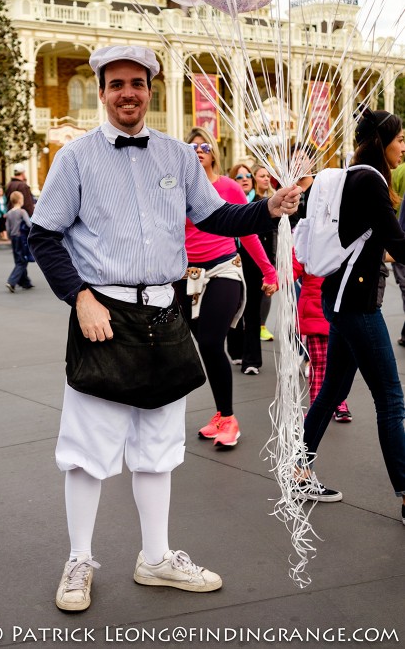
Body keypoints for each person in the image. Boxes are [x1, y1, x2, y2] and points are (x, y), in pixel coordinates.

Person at [28, 44, 301, 612]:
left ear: (149, 90)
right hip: (102, 314)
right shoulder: (75, 159)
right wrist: (79, 298)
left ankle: (156, 557)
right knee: (87, 448)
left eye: (138, 83)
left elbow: (216, 217)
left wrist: (267, 206)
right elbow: (45, 235)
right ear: (102, 90)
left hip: (166, 313)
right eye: (117, 84)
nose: (128, 93)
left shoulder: (178, 156)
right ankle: (79, 559)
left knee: (158, 446)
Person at [299, 107, 405, 521]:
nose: (403, 147)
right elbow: (397, 242)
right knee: (391, 399)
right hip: (355, 304)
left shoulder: (351, 174)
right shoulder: (371, 181)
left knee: (333, 391)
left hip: (340, 298)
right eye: (399, 139)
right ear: (382, 140)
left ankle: (298, 467)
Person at [174, 128, 277, 448]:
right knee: (205, 347)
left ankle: (230, 419)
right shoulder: (177, 189)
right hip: (186, 276)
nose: (198, 150)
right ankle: (221, 413)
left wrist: (268, 269)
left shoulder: (228, 186)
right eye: (191, 147)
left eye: (204, 146)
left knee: (210, 338)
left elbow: (246, 231)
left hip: (223, 270)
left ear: (214, 152)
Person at [226, 163, 275, 375]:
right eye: (239, 177)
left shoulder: (260, 204)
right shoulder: (224, 204)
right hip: (231, 263)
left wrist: (269, 268)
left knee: (253, 311)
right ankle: (236, 351)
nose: (245, 179)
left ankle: (252, 360)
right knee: (233, 309)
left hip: (254, 265)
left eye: (248, 176)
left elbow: (268, 237)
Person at [292, 251, 352, 422]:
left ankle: (339, 402)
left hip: (339, 306)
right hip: (314, 308)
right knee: (318, 361)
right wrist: (275, 279)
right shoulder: (307, 233)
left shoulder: (343, 232)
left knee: (339, 362)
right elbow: (294, 265)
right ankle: (318, 407)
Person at [253, 163, 277, 342]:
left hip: (269, 251)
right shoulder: (251, 201)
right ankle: (251, 324)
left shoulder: (273, 199)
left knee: (266, 290)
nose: (266, 179)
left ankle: (261, 325)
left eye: (268, 176)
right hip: (253, 251)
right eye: (262, 175)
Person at [5, 191, 33, 293]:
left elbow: (7, 228)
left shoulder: (8, 213)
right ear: (20, 200)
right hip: (21, 237)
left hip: (13, 237)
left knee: (18, 259)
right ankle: (11, 281)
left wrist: (9, 236)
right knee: (22, 261)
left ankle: (25, 282)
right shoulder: (22, 212)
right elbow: (29, 224)